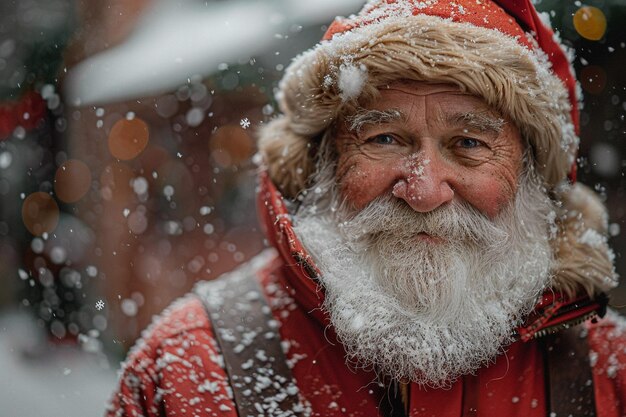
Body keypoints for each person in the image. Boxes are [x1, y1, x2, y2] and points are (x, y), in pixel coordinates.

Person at [106, 0, 626, 416]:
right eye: (384, 138)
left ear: (531, 177)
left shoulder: (611, 374)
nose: (423, 191)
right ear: (324, 162)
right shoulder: (191, 368)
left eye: (469, 144)